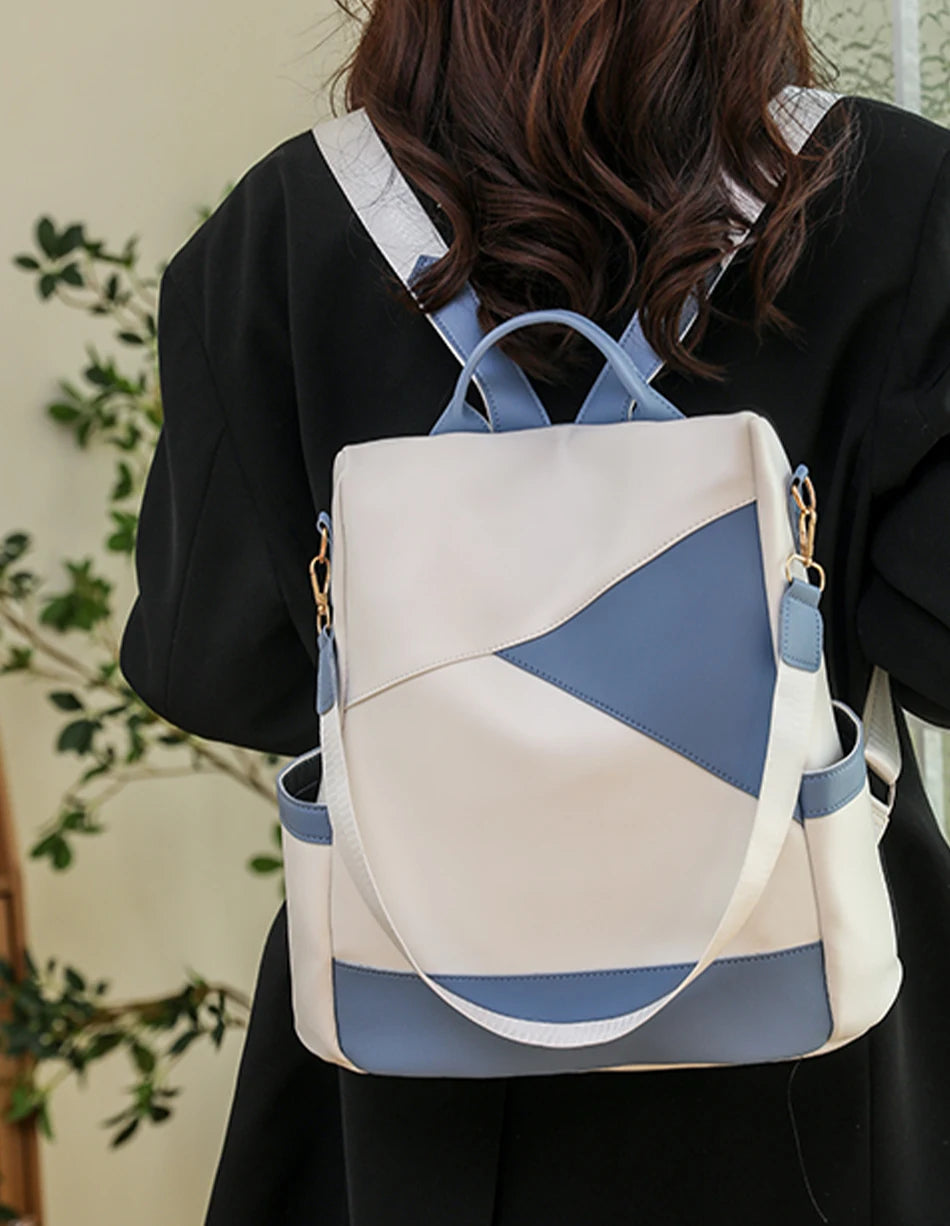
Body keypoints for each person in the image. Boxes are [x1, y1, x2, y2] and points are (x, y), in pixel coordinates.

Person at [118, 1, 950, 1222]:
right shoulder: (893, 199)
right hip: (817, 1075)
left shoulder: (281, 229)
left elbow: (211, 666)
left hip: (412, 1057)